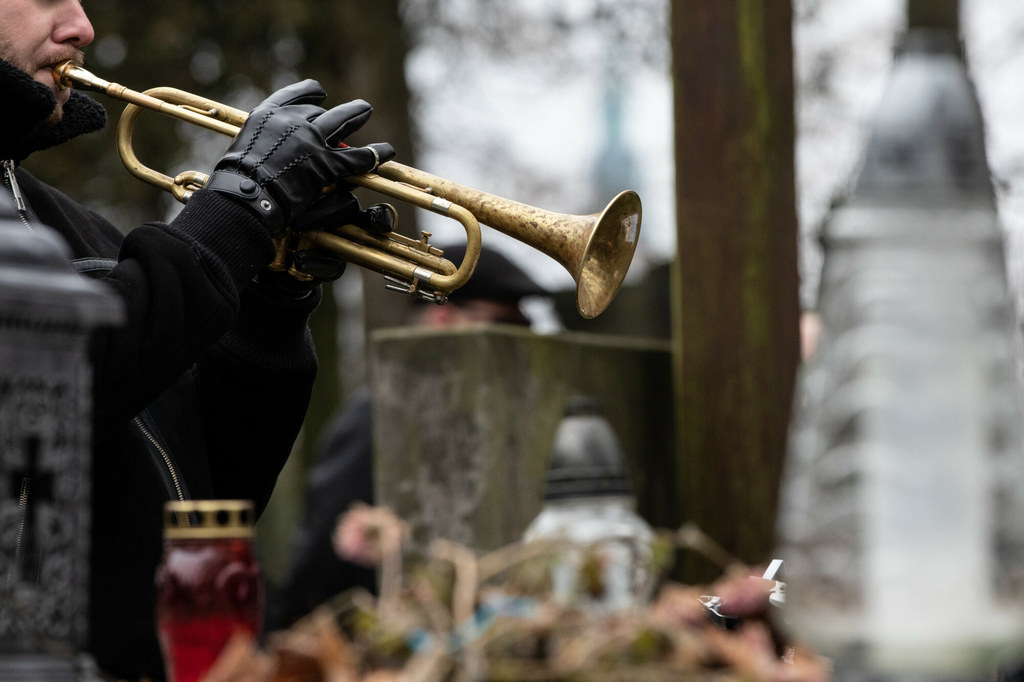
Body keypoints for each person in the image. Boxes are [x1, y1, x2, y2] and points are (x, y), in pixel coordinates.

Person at [0, 2, 395, 679]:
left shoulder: (67, 224)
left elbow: (210, 493)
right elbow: (40, 394)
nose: (81, 26)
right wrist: (239, 211)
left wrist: (271, 295)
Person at [266, 243, 549, 632]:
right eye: (506, 328)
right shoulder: (377, 417)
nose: (522, 345)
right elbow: (325, 571)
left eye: (528, 329)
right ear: (443, 319)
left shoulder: (479, 415)